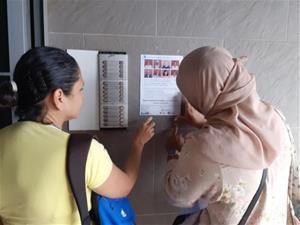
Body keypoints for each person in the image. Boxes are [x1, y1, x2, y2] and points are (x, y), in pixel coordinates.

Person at [0, 47, 155, 224]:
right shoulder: (82, 151)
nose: (82, 97)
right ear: (59, 97)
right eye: (80, 89)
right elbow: (124, 185)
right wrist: (138, 144)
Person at [165, 46, 300, 224]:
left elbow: (178, 196)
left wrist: (173, 153)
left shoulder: (202, 148)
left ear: (203, 95)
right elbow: (246, 140)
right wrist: (205, 123)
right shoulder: (276, 117)